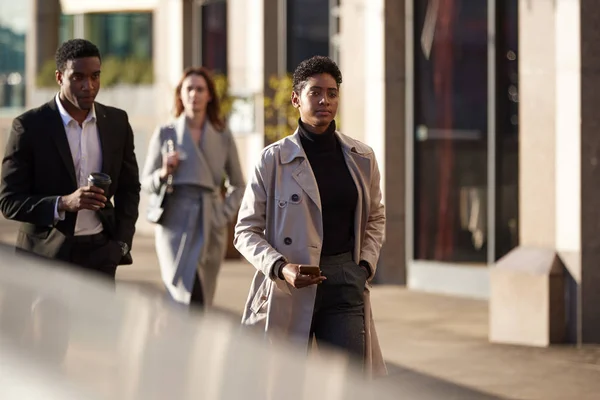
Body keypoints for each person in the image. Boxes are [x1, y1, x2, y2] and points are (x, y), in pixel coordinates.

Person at [234, 56, 387, 376]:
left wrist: (364, 266)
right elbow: (245, 231)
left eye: (332, 93)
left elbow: (375, 217)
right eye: (315, 92)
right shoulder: (272, 159)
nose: (325, 101)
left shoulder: (362, 157)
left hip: (345, 280)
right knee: (287, 383)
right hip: (291, 283)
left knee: (350, 382)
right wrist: (280, 267)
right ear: (296, 99)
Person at [0, 39, 140, 279]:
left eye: (95, 76)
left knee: (99, 319)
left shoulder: (116, 122)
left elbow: (129, 188)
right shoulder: (29, 127)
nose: (89, 85)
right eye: (78, 77)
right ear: (59, 77)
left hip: (101, 254)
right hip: (46, 258)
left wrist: (120, 245)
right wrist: (63, 203)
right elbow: (9, 201)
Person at [141, 67, 245, 307]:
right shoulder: (165, 133)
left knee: (202, 297)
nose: (194, 94)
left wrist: (222, 215)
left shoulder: (222, 135)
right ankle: (178, 341)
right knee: (183, 295)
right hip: (173, 224)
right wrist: (164, 172)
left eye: (200, 89)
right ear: (181, 94)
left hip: (210, 221)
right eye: (189, 89)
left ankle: (186, 342)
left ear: (209, 96)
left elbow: (239, 185)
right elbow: (146, 182)